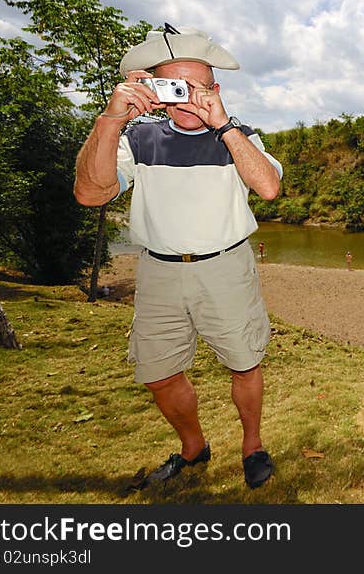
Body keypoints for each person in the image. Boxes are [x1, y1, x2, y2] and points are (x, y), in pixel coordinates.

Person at [73, 25, 283, 490]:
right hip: (159, 272)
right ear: (154, 91)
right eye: (176, 87)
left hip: (226, 268)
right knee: (157, 372)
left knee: (245, 362)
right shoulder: (140, 140)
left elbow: (268, 187)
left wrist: (224, 126)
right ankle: (194, 446)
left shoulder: (239, 136)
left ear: (217, 90)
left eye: (200, 88)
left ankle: (252, 446)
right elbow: (90, 193)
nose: (189, 98)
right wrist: (111, 119)